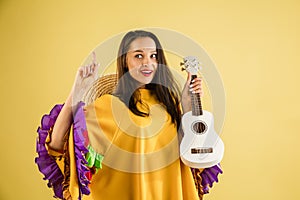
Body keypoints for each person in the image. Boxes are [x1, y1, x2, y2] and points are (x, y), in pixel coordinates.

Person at [35, 30, 222, 200]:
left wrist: (188, 107)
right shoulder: (108, 106)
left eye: (153, 56)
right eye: (139, 56)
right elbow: (58, 144)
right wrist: (76, 92)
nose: (147, 62)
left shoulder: (169, 103)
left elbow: (191, 154)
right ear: (125, 60)